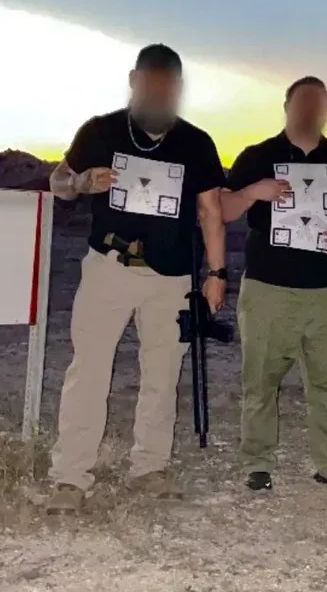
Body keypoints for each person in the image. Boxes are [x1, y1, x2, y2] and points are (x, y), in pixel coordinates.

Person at [43, 44, 263, 513]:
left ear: (178, 88)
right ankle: (70, 477)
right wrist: (81, 183)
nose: (159, 92)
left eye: (168, 85)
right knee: (88, 372)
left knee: (163, 374)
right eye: (151, 83)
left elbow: (210, 211)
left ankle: (149, 467)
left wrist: (216, 274)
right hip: (109, 267)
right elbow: (57, 181)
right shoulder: (101, 130)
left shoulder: (196, 142)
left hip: (173, 276)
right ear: (133, 81)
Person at [221, 76, 327, 492]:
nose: (310, 110)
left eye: (318, 103)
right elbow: (223, 210)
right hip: (268, 289)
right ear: (287, 105)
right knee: (260, 381)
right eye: (303, 101)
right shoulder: (257, 156)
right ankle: (258, 463)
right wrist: (255, 191)